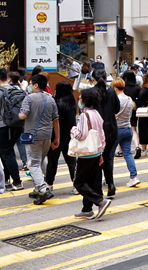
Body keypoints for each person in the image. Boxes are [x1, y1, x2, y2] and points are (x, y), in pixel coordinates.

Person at [18, 74, 60, 204]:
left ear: (36, 85)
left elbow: (23, 115)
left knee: (32, 163)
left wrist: (18, 113)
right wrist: (57, 137)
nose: (29, 86)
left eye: (30, 84)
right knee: (40, 161)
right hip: (47, 135)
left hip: (33, 136)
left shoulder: (29, 98)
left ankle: (42, 188)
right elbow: (56, 120)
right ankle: (38, 188)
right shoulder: (50, 99)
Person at [72, 88, 112, 219]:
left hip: (86, 153)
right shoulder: (97, 113)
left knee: (79, 182)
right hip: (95, 152)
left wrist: (73, 130)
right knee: (90, 181)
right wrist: (101, 152)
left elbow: (81, 135)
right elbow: (102, 135)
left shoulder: (85, 115)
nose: (79, 100)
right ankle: (87, 209)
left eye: (80, 98)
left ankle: (100, 201)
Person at [45, 81, 78, 193]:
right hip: (69, 137)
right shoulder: (73, 103)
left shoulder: (56, 103)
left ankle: (49, 184)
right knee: (71, 161)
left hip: (56, 137)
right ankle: (76, 186)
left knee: (52, 161)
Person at [92, 68, 119, 197]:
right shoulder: (112, 92)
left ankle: (98, 189)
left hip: (96, 132)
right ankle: (111, 184)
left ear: (93, 79)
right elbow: (117, 109)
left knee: (96, 159)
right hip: (111, 130)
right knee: (107, 157)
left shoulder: (91, 93)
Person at [0, 69, 26, 191]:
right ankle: (6, 179)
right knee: (5, 153)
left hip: (3, 126)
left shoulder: (1, 92)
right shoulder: (16, 89)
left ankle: (17, 181)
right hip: (18, 125)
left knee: (8, 153)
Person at [111, 78, 139, 188]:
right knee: (127, 154)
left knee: (110, 155)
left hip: (116, 130)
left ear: (115, 88)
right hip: (127, 129)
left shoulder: (115, 100)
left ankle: (109, 178)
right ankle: (133, 177)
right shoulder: (129, 99)